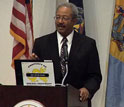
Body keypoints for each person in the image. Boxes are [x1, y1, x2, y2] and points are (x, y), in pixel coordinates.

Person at [31, 2, 102, 107]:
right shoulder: (41, 43)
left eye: (65, 18)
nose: (60, 21)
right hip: (48, 101)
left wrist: (87, 89)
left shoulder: (88, 44)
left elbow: (95, 76)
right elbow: (36, 76)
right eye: (58, 17)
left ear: (74, 20)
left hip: (77, 101)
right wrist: (32, 65)